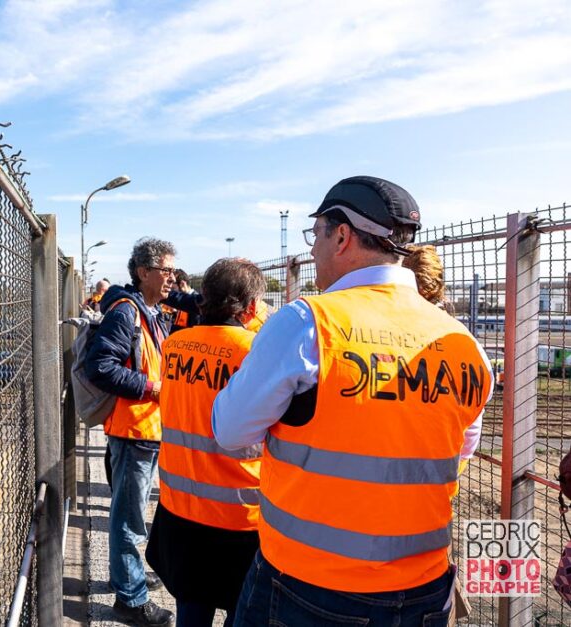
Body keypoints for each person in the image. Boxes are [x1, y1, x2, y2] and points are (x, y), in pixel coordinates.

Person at [212, 176, 494, 626]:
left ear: (341, 236)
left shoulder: (308, 323)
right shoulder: (464, 345)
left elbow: (230, 431)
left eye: (316, 235)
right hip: (425, 590)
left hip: (308, 586)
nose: (312, 251)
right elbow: (457, 452)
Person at [146, 258, 266, 627]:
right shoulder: (256, 352)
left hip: (181, 506)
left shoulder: (176, 346)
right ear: (249, 308)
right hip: (241, 513)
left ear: (203, 298)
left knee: (191, 608)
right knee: (240, 610)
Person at [85, 237, 177, 626]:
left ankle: (127, 577)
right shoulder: (127, 313)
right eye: (166, 270)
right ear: (144, 272)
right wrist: (152, 387)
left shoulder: (149, 311)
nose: (172, 277)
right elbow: (100, 366)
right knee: (130, 518)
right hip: (134, 428)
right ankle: (130, 598)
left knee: (133, 514)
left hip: (146, 427)